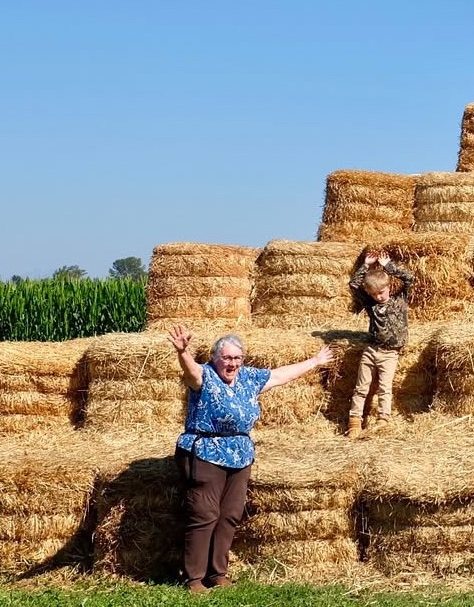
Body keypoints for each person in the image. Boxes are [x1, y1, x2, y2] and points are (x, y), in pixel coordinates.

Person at [167, 324, 331, 593]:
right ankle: (195, 578)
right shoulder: (205, 376)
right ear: (215, 358)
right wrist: (183, 353)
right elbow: (191, 372)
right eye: (226, 358)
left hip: (240, 455)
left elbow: (279, 375)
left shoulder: (249, 378)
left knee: (230, 515)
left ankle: (218, 573)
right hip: (205, 452)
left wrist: (314, 361)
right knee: (205, 514)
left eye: (236, 358)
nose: (231, 364)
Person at [347, 249, 417, 437]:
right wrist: (366, 266)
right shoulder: (371, 306)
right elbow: (353, 284)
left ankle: (383, 420)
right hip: (371, 351)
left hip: (390, 354)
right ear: (370, 294)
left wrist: (388, 267)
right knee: (362, 388)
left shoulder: (399, 300)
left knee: (385, 388)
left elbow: (410, 279)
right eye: (375, 293)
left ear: (389, 287)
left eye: (382, 292)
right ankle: (354, 422)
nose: (379, 296)